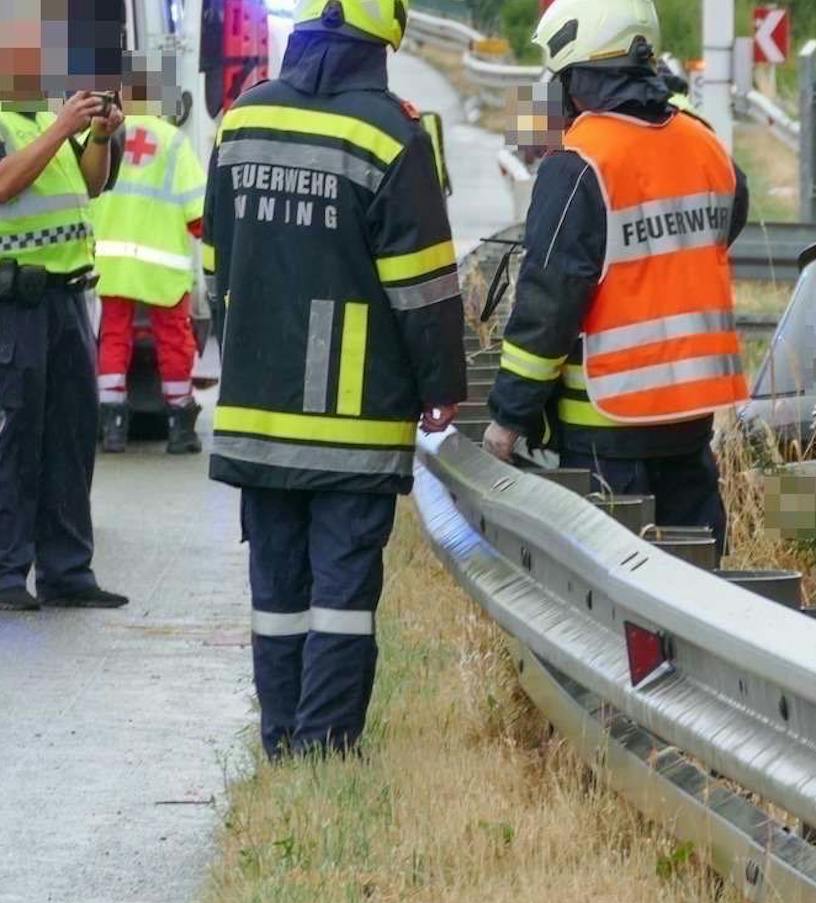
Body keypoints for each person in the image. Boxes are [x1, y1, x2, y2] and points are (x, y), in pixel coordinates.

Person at [204, 0, 466, 758]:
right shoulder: (392, 134)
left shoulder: (241, 121)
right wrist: (440, 382)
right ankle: (324, 745)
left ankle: (282, 738)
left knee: (276, 591)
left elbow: (218, 264)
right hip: (353, 415)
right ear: (385, 40)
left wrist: (245, 354)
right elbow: (421, 288)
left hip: (258, 407)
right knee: (342, 594)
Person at [481, 0, 751, 553]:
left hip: (606, 429)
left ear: (576, 76)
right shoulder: (706, 148)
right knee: (694, 585)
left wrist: (509, 417)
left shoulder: (579, 163)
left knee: (617, 607)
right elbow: (712, 234)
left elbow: (548, 304)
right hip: (689, 423)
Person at [0, 17, 129, 612]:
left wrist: (99, 136)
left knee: (71, 437)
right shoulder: (21, 123)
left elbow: (91, 184)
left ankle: (68, 571)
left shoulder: (45, 117)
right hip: (13, 305)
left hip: (67, 296)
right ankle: (5, 572)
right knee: (15, 437)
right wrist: (60, 129)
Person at [92, 51, 208, 454]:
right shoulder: (174, 143)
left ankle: (113, 426)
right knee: (174, 340)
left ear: (123, 93)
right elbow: (199, 214)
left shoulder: (104, 133)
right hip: (164, 267)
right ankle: (180, 427)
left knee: (113, 337)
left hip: (113, 263)